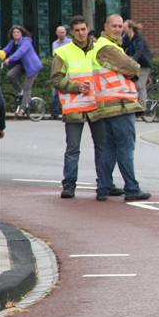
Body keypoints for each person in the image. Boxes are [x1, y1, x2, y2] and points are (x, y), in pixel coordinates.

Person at [92, 14, 150, 202]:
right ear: (105, 26)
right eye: (114, 26)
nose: (118, 30)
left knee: (110, 147)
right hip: (120, 104)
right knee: (126, 147)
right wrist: (132, 68)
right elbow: (132, 66)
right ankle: (132, 189)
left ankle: (103, 188)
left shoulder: (102, 46)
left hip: (107, 104)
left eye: (120, 26)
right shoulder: (108, 48)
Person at [50, 16, 108, 199]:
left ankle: (105, 184)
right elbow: (55, 79)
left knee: (102, 147)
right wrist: (75, 86)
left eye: (83, 29)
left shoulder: (99, 49)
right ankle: (69, 185)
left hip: (97, 106)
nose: (81, 33)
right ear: (72, 32)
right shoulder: (63, 52)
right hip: (75, 107)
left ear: (88, 29)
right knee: (73, 149)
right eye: (77, 30)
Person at [1, 25, 43, 118]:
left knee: (27, 86)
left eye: (18, 32)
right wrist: (0, 55)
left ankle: (22, 109)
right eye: (14, 32)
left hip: (32, 66)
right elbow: (4, 51)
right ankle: (22, 92)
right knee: (10, 76)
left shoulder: (26, 41)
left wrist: (10, 59)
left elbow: (20, 52)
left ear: (22, 33)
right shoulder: (12, 42)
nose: (16, 34)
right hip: (23, 65)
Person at [123, 20, 154, 109]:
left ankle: (143, 107)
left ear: (131, 28)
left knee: (140, 86)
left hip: (143, 64)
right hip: (135, 64)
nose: (122, 29)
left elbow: (138, 51)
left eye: (124, 27)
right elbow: (121, 47)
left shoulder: (139, 38)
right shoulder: (126, 38)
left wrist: (132, 61)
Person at [50, 25, 72, 119]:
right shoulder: (54, 44)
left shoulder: (70, 42)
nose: (62, 34)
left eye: (63, 32)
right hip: (58, 69)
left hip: (67, 69)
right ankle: (54, 113)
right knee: (55, 93)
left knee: (66, 91)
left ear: (66, 32)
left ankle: (66, 112)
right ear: (56, 33)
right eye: (60, 32)